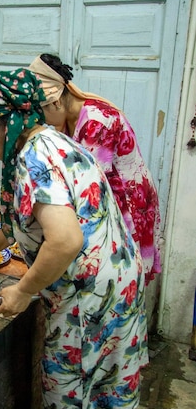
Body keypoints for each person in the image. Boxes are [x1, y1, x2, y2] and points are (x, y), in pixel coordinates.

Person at [0, 68, 149, 409]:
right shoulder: (48, 138)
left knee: (64, 377)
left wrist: (24, 290)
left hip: (88, 291)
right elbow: (25, 215)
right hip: (114, 275)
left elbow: (65, 239)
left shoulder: (32, 159)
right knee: (85, 372)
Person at [28, 53, 161, 287]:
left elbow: (85, 183)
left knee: (119, 273)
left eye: (42, 113)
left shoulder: (98, 121)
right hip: (107, 194)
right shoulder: (69, 119)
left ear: (56, 102)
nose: (44, 122)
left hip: (128, 200)